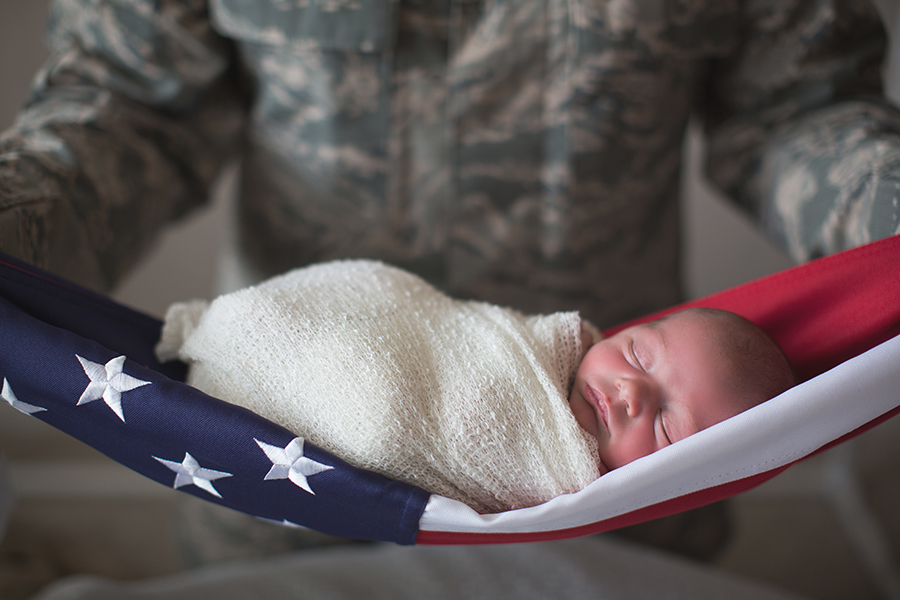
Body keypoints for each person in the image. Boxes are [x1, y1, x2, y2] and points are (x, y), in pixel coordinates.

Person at [2, 0, 898, 559]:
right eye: (642, 369)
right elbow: (126, 105)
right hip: (271, 451)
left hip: (617, 511)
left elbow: (802, 111)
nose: (630, 387)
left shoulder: (651, 411)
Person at [155, 259, 795, 513]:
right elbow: (439, 334)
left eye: (664, 425)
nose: (630, 392)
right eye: (636, 353)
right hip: (331, 346)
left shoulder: (568, 486)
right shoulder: (540, 352)